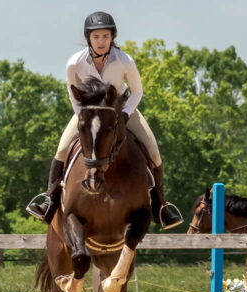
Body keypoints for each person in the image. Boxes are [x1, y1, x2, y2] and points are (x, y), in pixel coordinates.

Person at [25, 11, 182, 230]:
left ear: (112, 38)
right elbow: (73, 93)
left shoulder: (125, 60)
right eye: (96, 37)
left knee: (154, 152)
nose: (101, 41)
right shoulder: (74, 63)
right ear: (88, 38)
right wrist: (82, 116)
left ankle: (160, 206)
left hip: (122, 109)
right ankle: (49, 200)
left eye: (105, 36)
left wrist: (125, 113)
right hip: (89, 114)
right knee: (62, 149)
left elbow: (137, 91)